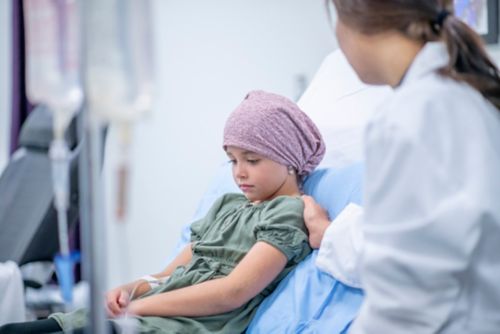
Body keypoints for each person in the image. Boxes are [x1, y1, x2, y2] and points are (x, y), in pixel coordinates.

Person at [0, 90, 325, 334]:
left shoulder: (287, 213)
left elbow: (232, 292)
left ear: (290, 159)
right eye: (232, 159)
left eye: (252, 160)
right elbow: (167, 275)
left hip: (182, 326)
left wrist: (137, 308)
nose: (239, 172)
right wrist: (128, 289)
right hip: (147, 313)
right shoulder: (227, 205)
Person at [303, 0, 500, 333]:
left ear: (358, 18)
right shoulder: (463, 93)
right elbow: (432, 233)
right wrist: (331, 233)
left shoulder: (408, 115)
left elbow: (403, 307)